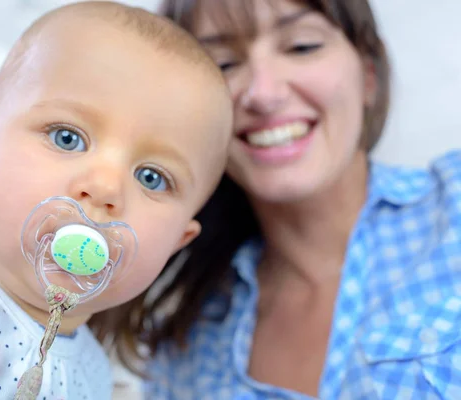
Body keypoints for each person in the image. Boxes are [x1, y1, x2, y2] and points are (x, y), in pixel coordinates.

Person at [89, 0, 461, 398]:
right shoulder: (185, 339)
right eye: (223, 64)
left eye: (302, 46)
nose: (263, 94)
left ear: (369, 75)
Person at [0, 2, 233, 399]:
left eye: (151, 178)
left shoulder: (98, 379)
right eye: (66, 137)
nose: (105, 187)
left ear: (176, 242)